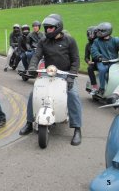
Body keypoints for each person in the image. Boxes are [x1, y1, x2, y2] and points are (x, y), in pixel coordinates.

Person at [19, 14, 83, 146]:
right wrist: (32, 67)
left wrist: (71, 76)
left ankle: (77, 129)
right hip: (49, 73)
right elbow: (36, 56)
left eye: (51, 27)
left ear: (58, 27)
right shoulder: (43, 41)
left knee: (73, 95)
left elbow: (76, 60)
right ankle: (29, 122)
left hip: (66, 74)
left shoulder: (69, 41)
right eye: (46, 27)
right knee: (33, 94)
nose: (48, 30)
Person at [91, 22, 119, 95]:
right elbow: (94, 51)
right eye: (99, 31)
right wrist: (100, 57)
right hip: (103, 62)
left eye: (101, 31)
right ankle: (102, 88)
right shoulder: (96, 41)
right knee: (102, 70)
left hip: (114, 62)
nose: (99, 32)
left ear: (108, 31)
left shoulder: (115, 40)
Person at [84, 26, 98, 95]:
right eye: (90, 34)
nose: (91, 36)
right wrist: (88, 61)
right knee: (89, 68)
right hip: (95, 63)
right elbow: (86, 57)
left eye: (92, 34)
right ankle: (94, 86)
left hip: (104, 62)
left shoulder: (100, 43)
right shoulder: (88, 45)